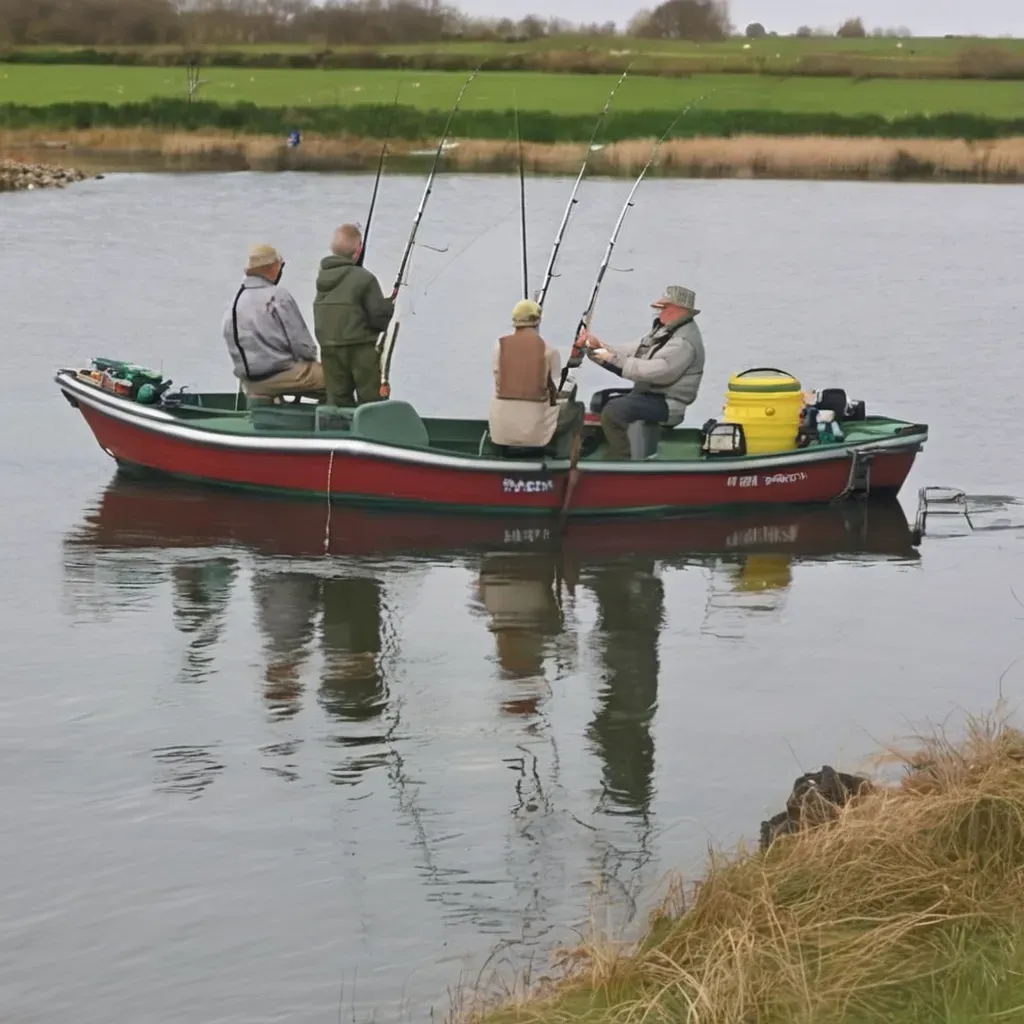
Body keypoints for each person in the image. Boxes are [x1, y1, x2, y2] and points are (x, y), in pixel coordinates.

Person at [580, 284, 705, 460]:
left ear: (677, 309)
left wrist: (608, 357)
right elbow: (631, 351)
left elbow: (653, 372)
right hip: (648, 395)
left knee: (614, 411)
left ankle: (620, 459)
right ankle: (599, 449)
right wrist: (595, 347)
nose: (658, 313)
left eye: (662, 308)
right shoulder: (664, 331)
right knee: (601, 400)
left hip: (667, 403)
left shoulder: (683, 343)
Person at [222, 243, 324, 400]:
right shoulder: (278, 296)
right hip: (281, 375)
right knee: (339, 379)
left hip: (249, 381)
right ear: (273, 267)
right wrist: (313, 363)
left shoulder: (235, 300)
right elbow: (303, 346)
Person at [313, 224, 395, 407]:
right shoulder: (364, 278)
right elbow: (379, 319)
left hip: (329, 348)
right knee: (371, 400)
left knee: (337, 399)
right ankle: (372, 432)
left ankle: (337, 433)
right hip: (360, 349)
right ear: (359, 250)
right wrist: (389, 306)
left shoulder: (322, 278)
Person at [489, 299, 585, 455]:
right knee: (577, 408)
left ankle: (499, 453)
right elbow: (557, 392)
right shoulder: (549, 350)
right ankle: (567, 460)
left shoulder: (499, 346)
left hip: (501, 427)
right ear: (538, 321)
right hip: (535, 431)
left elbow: (498, 379)